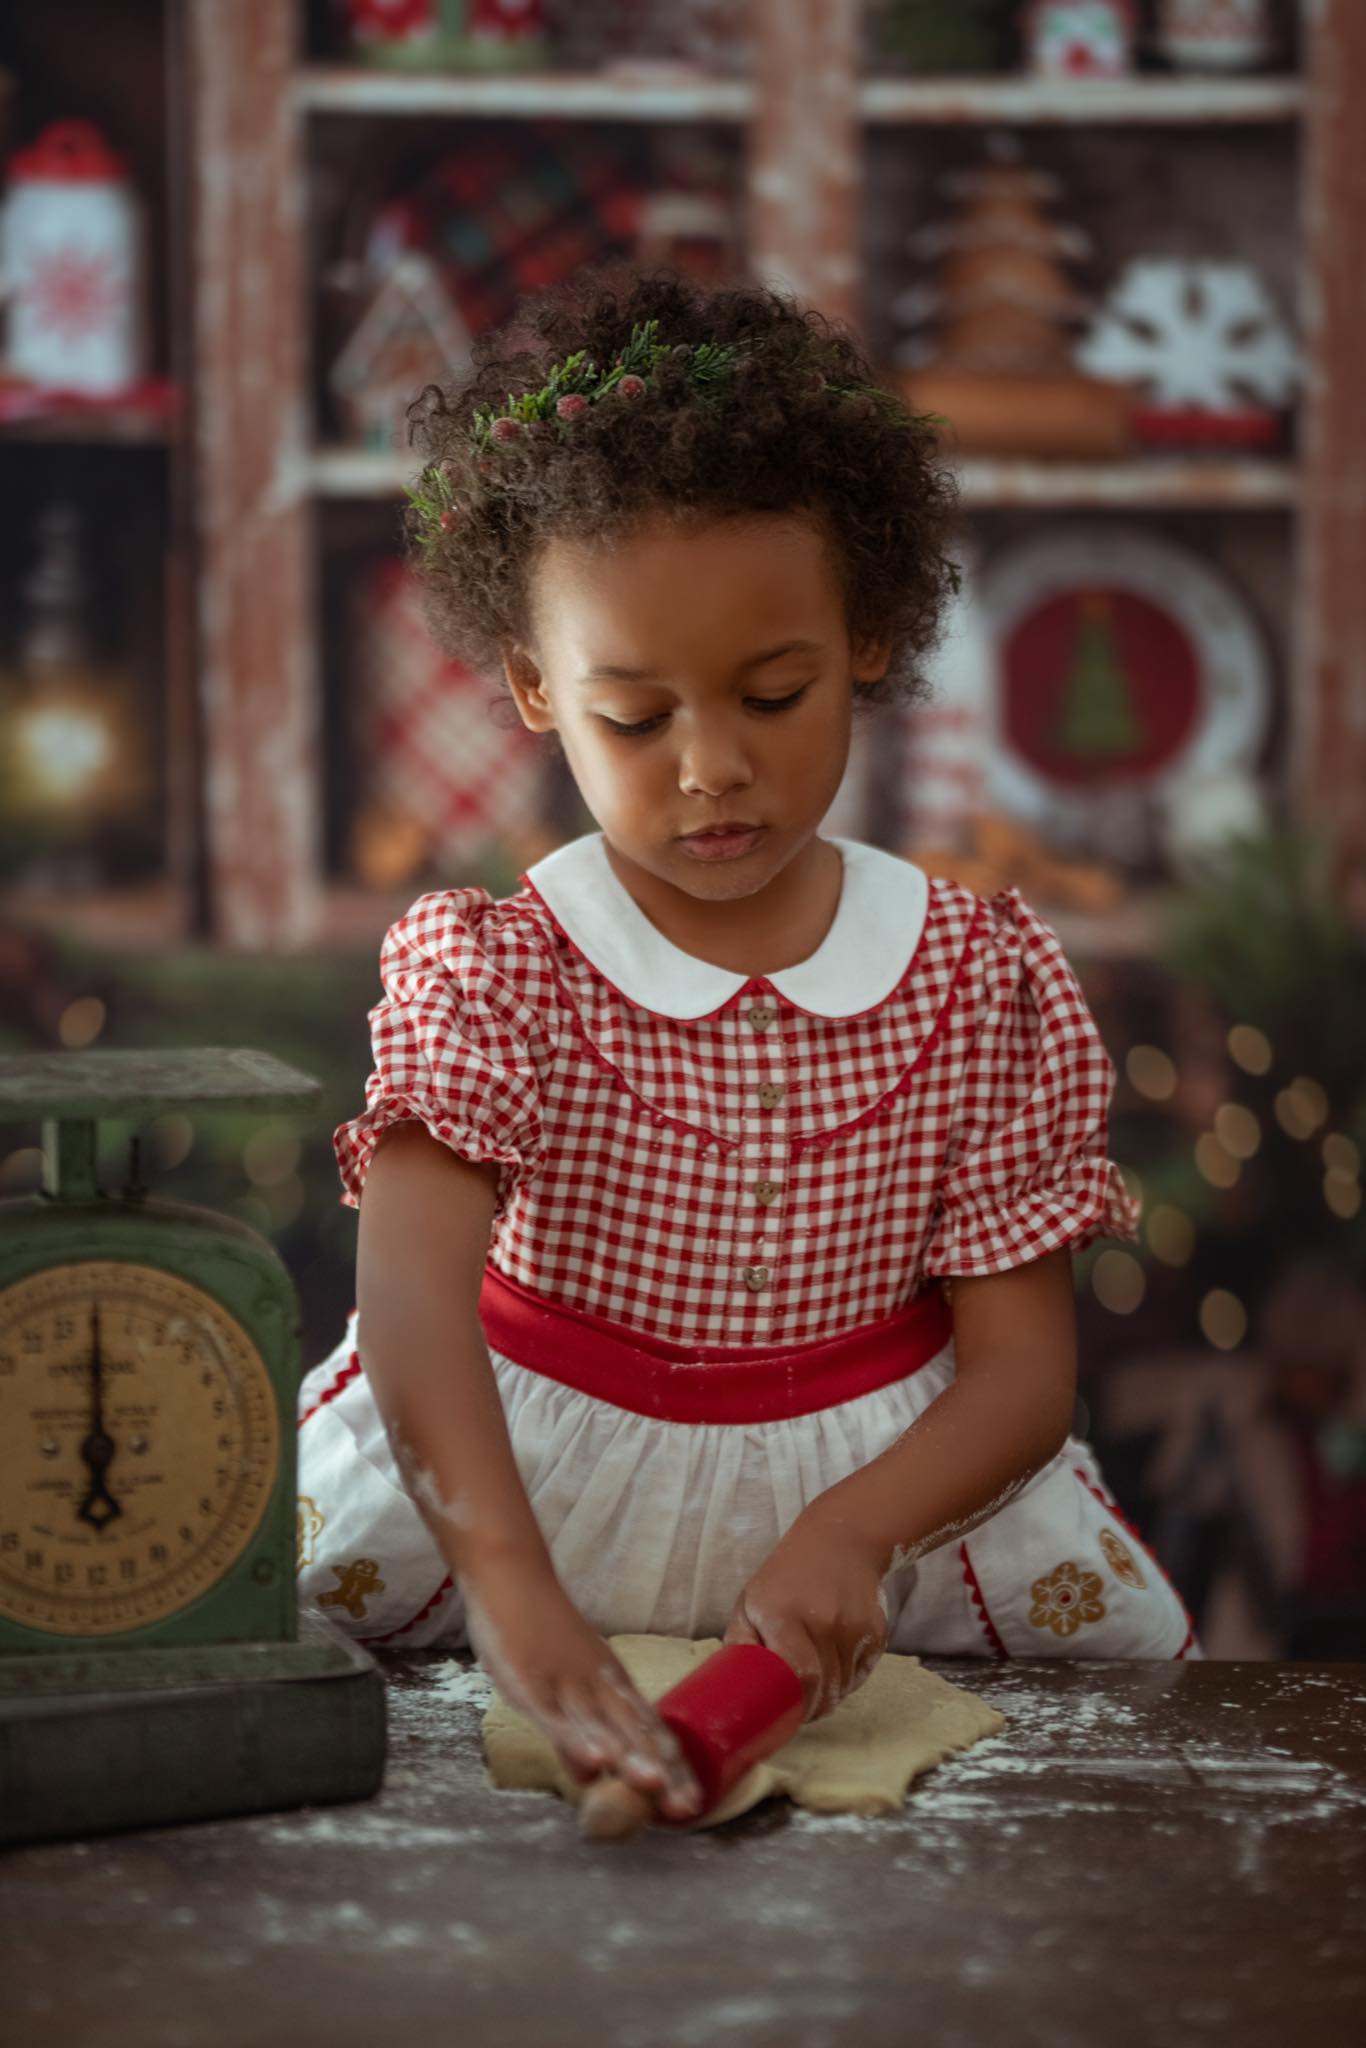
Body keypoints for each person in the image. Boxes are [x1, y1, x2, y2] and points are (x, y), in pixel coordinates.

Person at [296, 269, 1199, 1826]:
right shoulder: (498, 969)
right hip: (522, 1492)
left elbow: (1018, 1377)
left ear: (862, 638)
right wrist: (506, 1591)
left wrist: (857, 1532)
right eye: (634, 720)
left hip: (879, 1509)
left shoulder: (976, 979)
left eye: (770, 693)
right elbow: (409, 1305)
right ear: (533, 690)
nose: (711, 769)